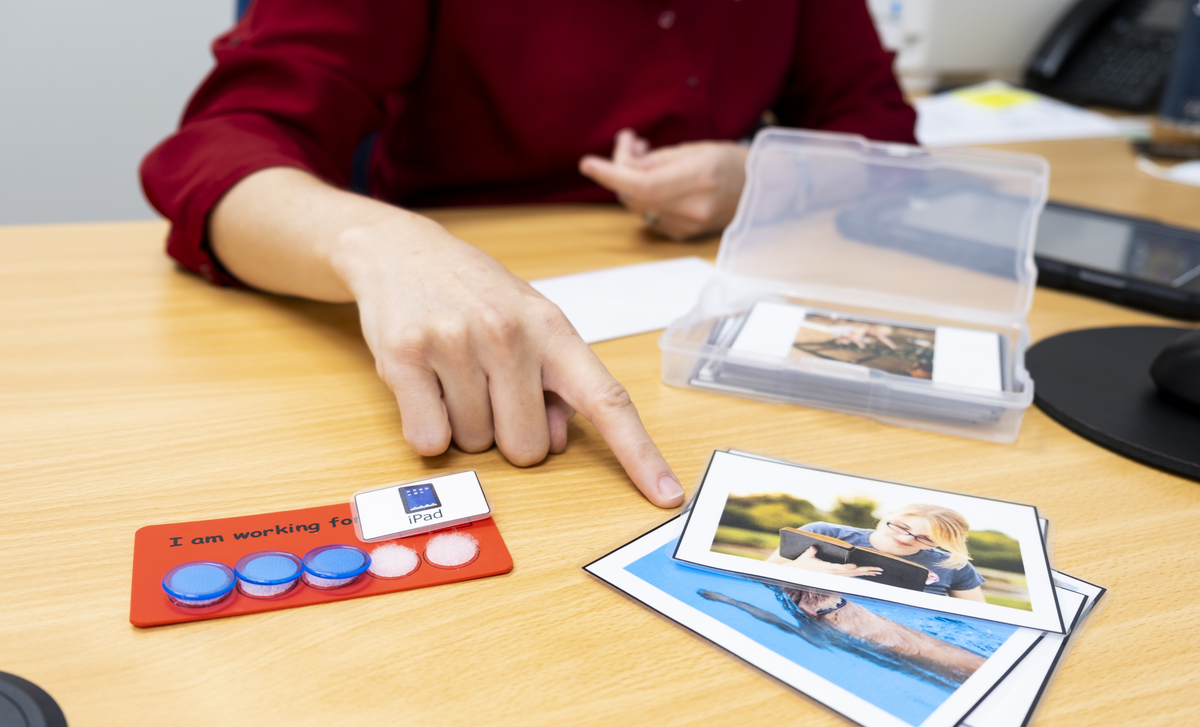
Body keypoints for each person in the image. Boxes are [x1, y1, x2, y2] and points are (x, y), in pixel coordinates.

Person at [140, 1, 918, 508]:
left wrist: (763, 173)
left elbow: (883, 127)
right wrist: (380, 243)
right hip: (465, 330)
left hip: (711, 326)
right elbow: (217, 149)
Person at [765, 504, 987, 601]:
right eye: (900, 526)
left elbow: (979, 618)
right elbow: (757, 577)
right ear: (887, 516)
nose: (905, 538)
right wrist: (797, 569)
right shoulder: (822, 532)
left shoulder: (954, 565)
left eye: (925, 538)